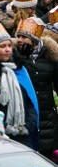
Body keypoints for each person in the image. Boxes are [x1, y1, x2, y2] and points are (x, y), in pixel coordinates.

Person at [0, 23, 38, 148]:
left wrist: (27, 127)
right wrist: (3, 129)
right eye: (2, 46)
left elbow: (30, 104)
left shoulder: (20, 70)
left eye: (9, 46)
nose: (7, 49)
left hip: (23, 136)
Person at [15, 17, 58, 157]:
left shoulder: (50, 58)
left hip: (47, 117)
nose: (19, 40)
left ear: (34, 39)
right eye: (18, 36)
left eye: (24, 37)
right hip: (25, 116)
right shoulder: (16, 58)